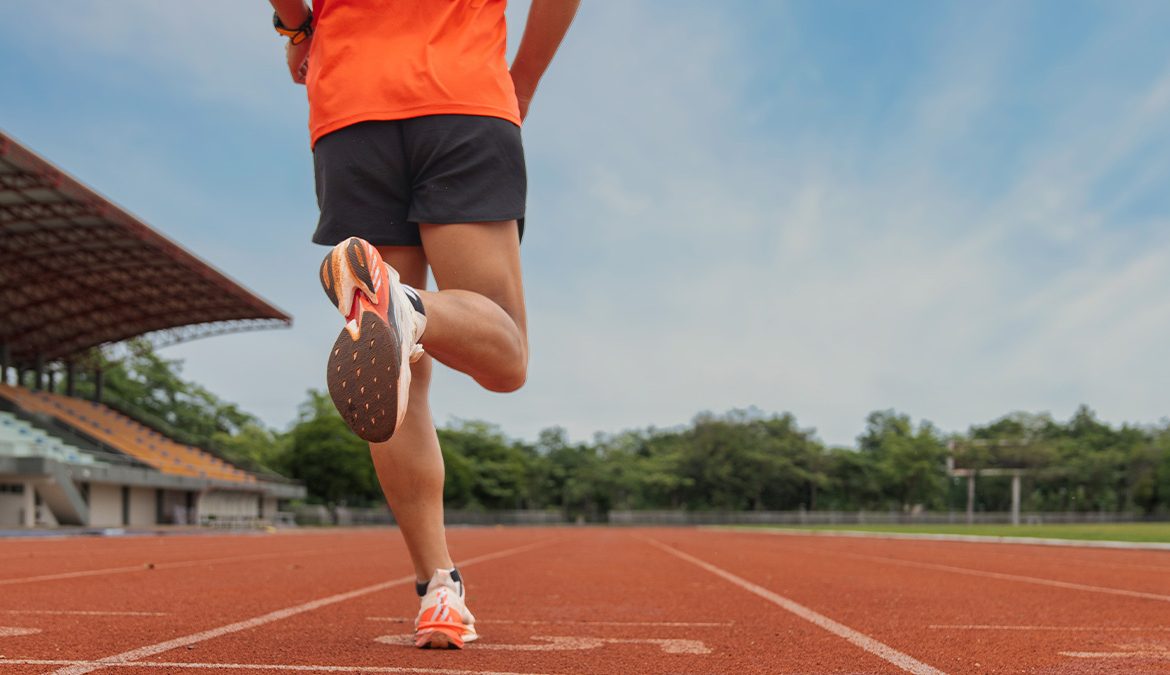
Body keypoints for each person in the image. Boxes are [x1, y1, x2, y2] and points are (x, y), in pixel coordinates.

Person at [269, 0, 578, 650]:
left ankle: (438, 585)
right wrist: (524, 78)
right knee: (507, 358)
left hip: (348, 106)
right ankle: (408, 305)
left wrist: (296, 27)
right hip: (462, 90)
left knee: (395, 365)